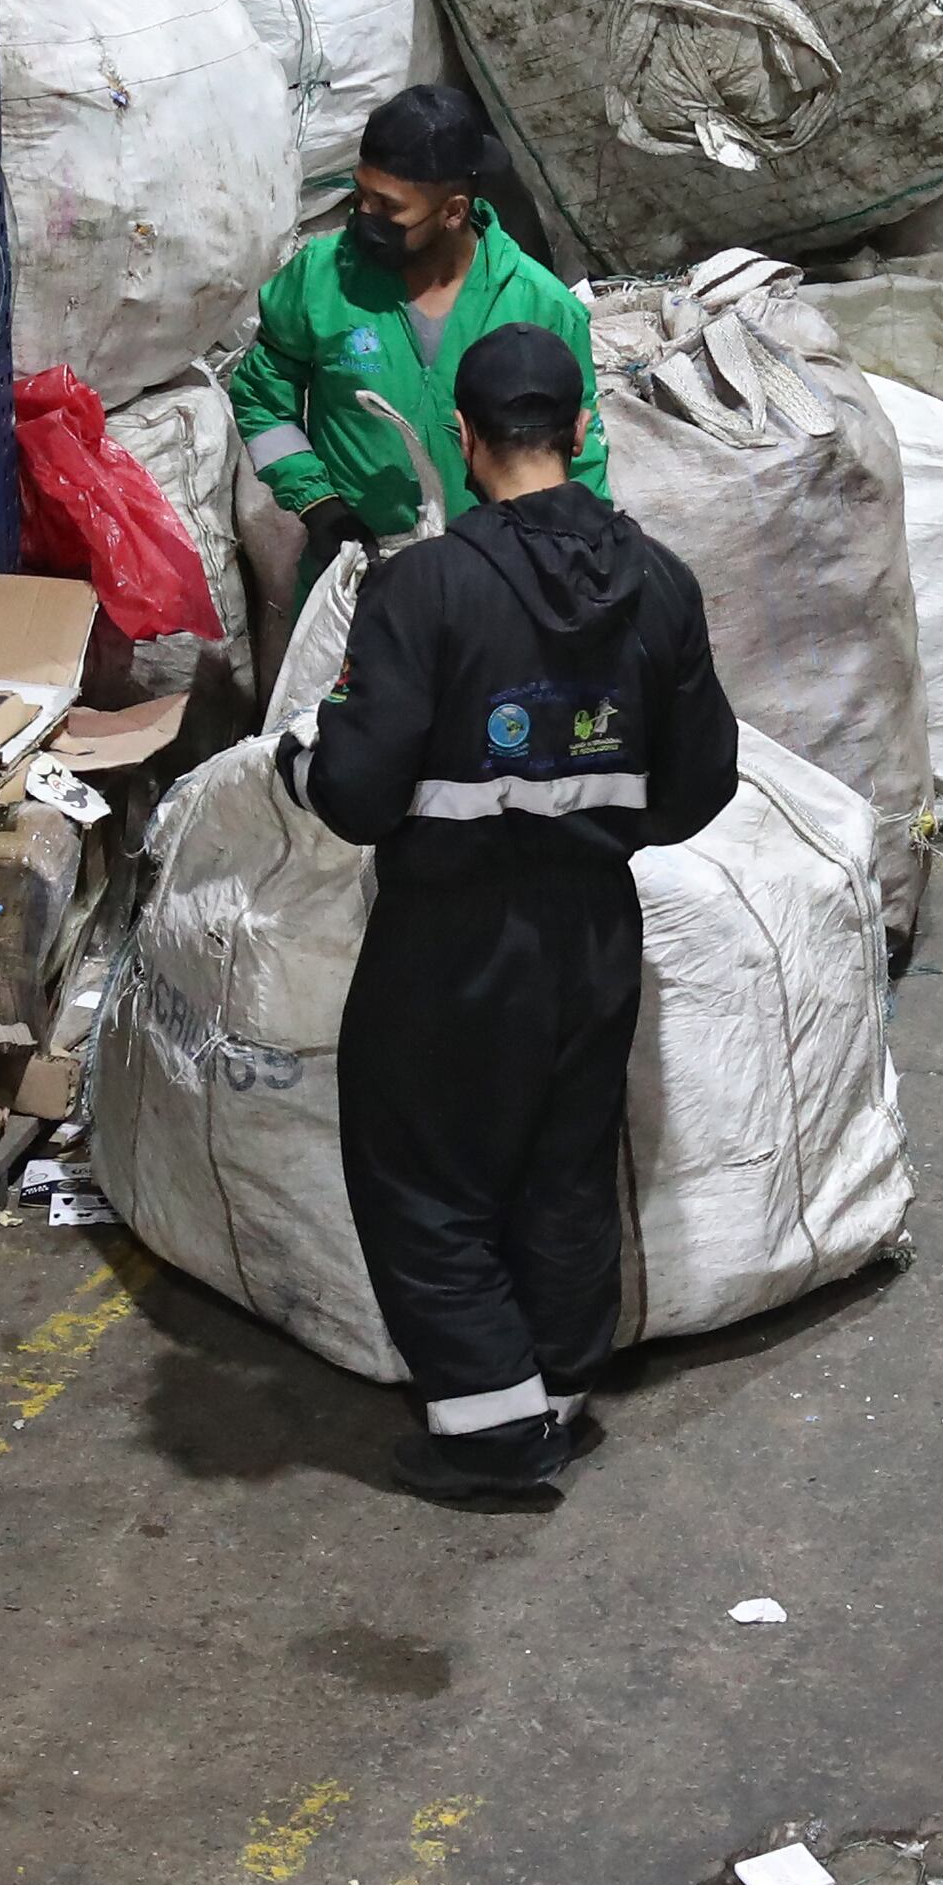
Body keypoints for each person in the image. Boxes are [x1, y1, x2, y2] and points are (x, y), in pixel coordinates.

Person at [289, 322, 740, 1510]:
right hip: (592, 930)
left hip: (446, 946)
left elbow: (352, 791)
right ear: (582, 430)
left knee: (427, 1176)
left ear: (463, 435)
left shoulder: (424, 588)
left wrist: (299, 761)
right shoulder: (660, 583)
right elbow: (699, 786)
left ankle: (491, 1433)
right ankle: (556, 1389)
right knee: (561, 1161)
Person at [225, 83, 610, 624]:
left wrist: (577, 577)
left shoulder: (538, 307)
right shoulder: (319, 280)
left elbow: (579, 460)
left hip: (495, 590)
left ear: (453, 212)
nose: (363, 216)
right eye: (361, 195)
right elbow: (262, 399)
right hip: (359, 585)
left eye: (389, 208)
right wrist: (317, 503)